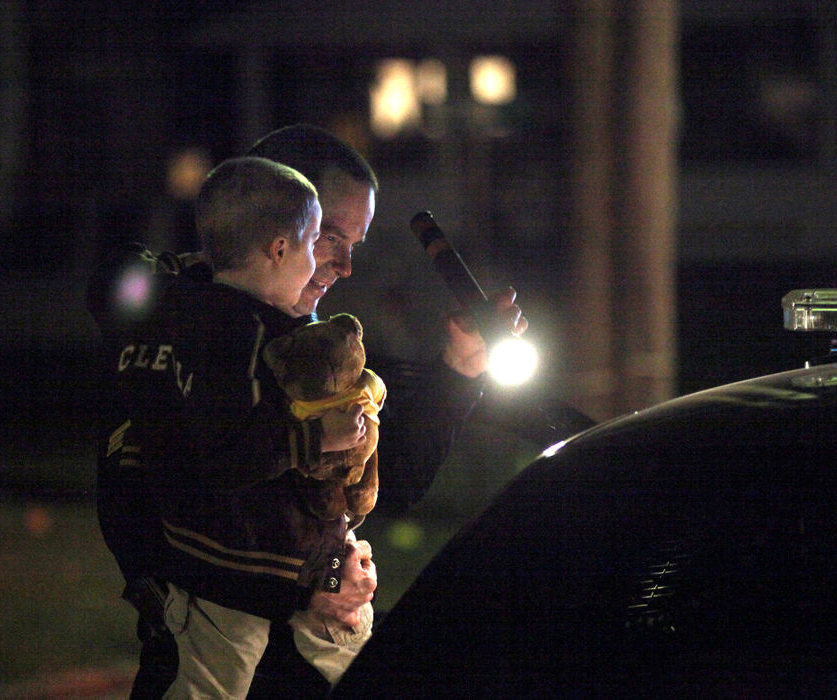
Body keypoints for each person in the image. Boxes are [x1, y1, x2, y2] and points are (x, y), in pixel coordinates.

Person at [88, 125, 527, 696]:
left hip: (308, 647)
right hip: (221, 649)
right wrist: (305, 583)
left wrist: (460, 369)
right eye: (327, 235)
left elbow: (391, 476)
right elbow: (149, 504)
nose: (344, 265)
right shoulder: (191, 328)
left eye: (356, 244)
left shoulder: (307, 345)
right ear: (276, 220)